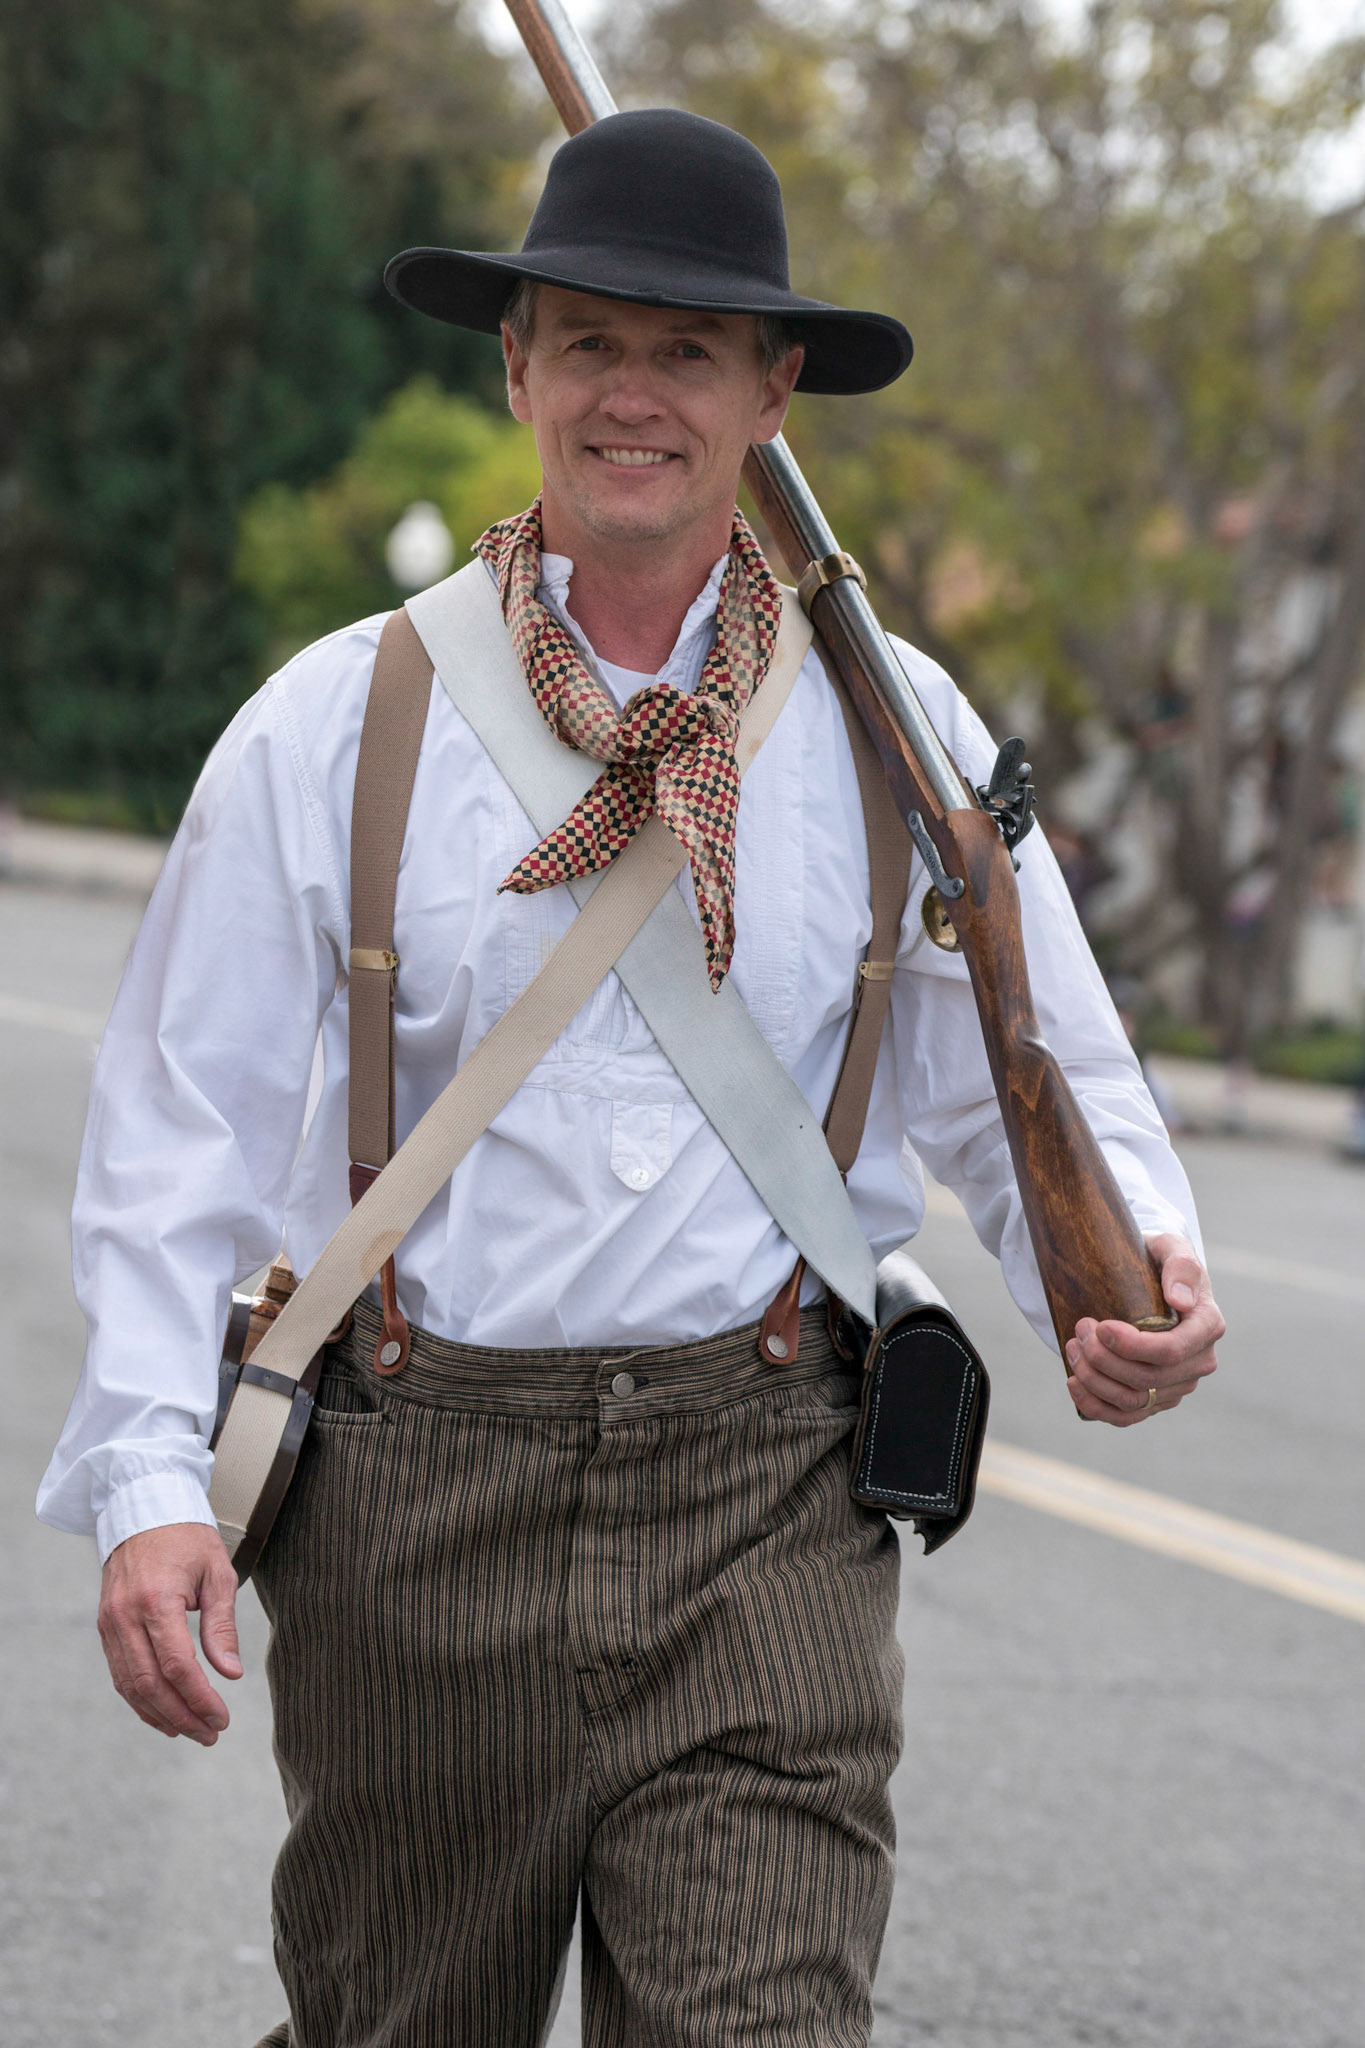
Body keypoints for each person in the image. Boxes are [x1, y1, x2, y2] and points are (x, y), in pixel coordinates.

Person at [37, 109, 1223, 2048]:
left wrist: (1132, 1274)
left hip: (765, 1496)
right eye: (586, 339)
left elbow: (1023, 1060)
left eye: (686, 351)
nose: (630, 394)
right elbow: (180, 1136)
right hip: (417, 1506)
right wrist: (155, 1481)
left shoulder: (895, 729)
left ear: (773, 394)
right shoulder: (330, 722)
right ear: (514, 368)